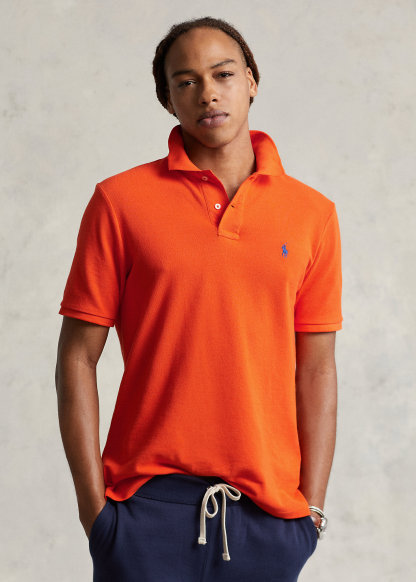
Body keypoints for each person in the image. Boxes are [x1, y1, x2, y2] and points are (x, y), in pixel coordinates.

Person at [55, 15, 342, 582]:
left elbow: (317, 369)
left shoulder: (312, 214)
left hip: (270, 518)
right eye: (185, 81)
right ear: (168, 100)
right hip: (144, 510)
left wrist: (309, 513)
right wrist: (96, 512)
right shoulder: (120, 202)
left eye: (223, 74)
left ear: (251, 80)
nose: (208, 93)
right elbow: (77, 356)